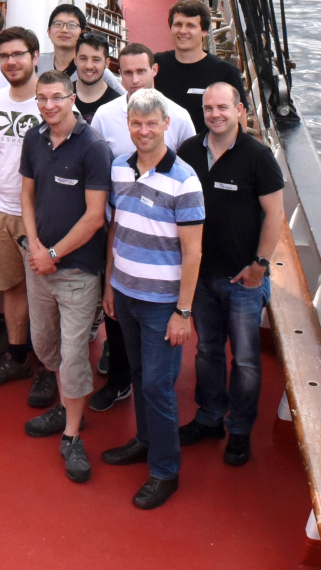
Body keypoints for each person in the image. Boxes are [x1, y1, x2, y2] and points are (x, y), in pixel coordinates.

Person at [101, 89, 205, 508]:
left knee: (158, 386)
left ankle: (165, 470)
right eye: (136, 124)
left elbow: (193, 251)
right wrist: (110, 285)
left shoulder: (184, 180)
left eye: (151, 123)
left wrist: (183, 311)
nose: (143, 131)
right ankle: (145, 440)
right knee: (140, 373)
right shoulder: (118, 169)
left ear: (166, 125)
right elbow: (116, 229)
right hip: (125, 293)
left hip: (162, 303)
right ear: (128, 125)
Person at [177, 81, 285, 468]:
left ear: (239, 110)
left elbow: (275, 213)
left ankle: (239, 429)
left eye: (223, 107)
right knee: (207, 350)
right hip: (202, 275)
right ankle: (209, 418)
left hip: (243, 280)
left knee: (245, 360)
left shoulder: (258, 157)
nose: (215, 114)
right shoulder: (190, 151)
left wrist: (260, 265)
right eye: (209, 108)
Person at [19, 72, 113, 484]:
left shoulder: (93, 147)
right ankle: (64, 403)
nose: (48, 106)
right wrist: (35, 247)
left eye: (56, 97)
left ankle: (72, 434)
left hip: (76, 272)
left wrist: (53, 254)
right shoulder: (33, 138)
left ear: (72, 99)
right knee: (45, 344)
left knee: (74, 355)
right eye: (42, 98)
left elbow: (95, 217)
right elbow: (26, 195)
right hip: (38, 264)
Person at [0, 27, 43, 390]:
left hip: (39, 216)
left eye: (18, 54)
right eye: (5, 56)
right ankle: (17, 358)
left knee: (47, 296)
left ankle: (49, 369)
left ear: (35, 57)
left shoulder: (51, 101)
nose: (11, 62)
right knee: (13, 287)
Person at [154, 0, 247, 130]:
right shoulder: (156, 65)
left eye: (191, 25)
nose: (183, 31)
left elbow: (240, 123)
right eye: (178, 24)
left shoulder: (225, 72)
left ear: (204, 31)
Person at [93, 42, 195, 157]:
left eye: (141, 71)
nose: (135, 80)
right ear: (120, 73)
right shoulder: (103, 116)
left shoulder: (180, 117)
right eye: (128, 73)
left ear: (154, 70)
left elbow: (190, 162)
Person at [71, 32, 119, 118]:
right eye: (83, 58)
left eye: (96, 60)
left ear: (107, 63)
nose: (89, 66)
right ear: (75, 60)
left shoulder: (117, 105)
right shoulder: (62, 97)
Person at [45, 4, 86, 77]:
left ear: (82, 33)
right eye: (58, 24)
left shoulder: (93, 69)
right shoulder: (36, 64)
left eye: (72, 25)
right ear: (49, 32)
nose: (64, 30)